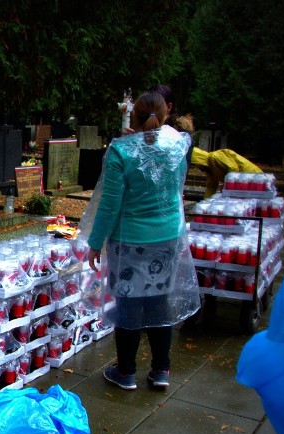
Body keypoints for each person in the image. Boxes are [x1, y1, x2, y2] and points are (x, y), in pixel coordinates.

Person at [79, 91, 201, 391]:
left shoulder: (122, 152)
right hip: (168, 236)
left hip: (130, 240)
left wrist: (95, 242)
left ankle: (127, 371)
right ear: (165, 116)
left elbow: (110, 204)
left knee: (129, 303)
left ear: (132, 117)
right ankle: (161, 370)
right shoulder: (178, 145)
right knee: (159, 303)